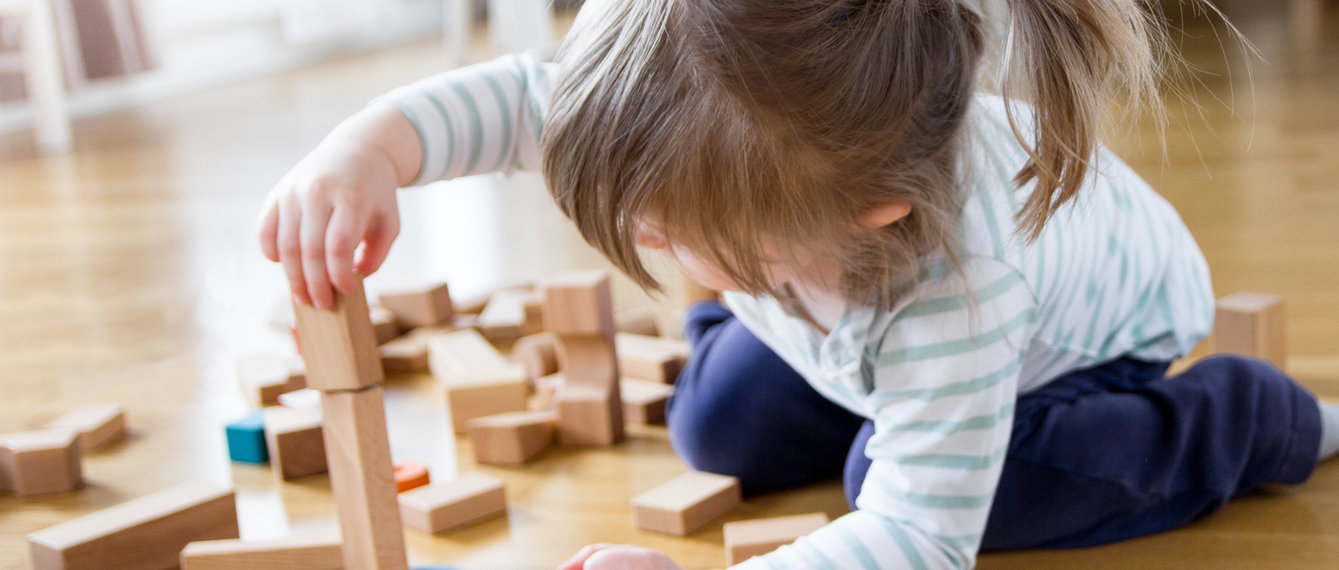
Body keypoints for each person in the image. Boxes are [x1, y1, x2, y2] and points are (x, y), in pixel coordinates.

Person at [257, 0, 1339, 568]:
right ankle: (800, 350)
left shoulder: (959, 290)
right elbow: (523, 105)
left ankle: (1246, 422)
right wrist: (368, 151)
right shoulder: (708, 131)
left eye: (669, 235)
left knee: (900, 475)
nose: (645, 251)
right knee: (715, 424)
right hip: (838, 315)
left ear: (862, 219)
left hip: (1079, 348)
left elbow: (921, 539)